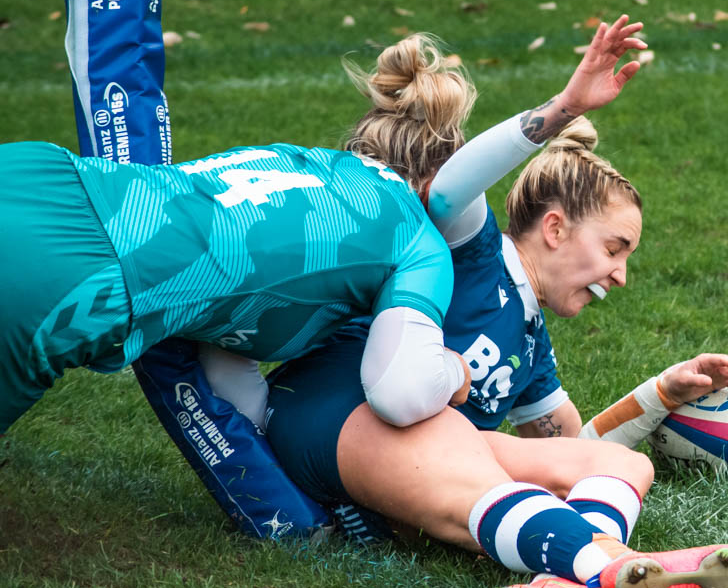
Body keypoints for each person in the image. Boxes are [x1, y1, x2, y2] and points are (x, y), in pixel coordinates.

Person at [263, 93, 728, 588]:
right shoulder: (475, 253)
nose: (622, 275)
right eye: (615, 249)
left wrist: (663, 394)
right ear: (555, 229)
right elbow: (450, 184)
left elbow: (576, 452)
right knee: (471, 455)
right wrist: (563, 107)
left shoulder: (533, 345)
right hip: (335, 410)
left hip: (421, 452)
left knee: (624, 465)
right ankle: (614, 567)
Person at [0, 30, 492, 436]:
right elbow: (402, 393)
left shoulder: (305, 160)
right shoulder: (419, 242)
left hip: (38, 172)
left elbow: (229, 352)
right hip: (78, 277)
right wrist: (453, 371)